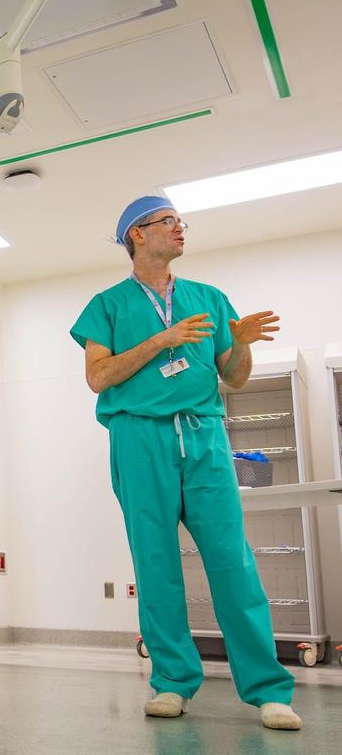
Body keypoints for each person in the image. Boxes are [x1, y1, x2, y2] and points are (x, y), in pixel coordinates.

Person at [69, 196, 300, 730]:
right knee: (156, 565)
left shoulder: (210, 299)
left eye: (180, 222)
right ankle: (172, 682)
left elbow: (235, 377)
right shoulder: (106, 306)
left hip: (203, 438)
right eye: (167, 222)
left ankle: (268, 690)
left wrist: (239, 344)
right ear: (137, 236)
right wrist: (163, 339)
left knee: (232, 562)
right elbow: (99, 377)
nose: (179, 230)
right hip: (138, 438)